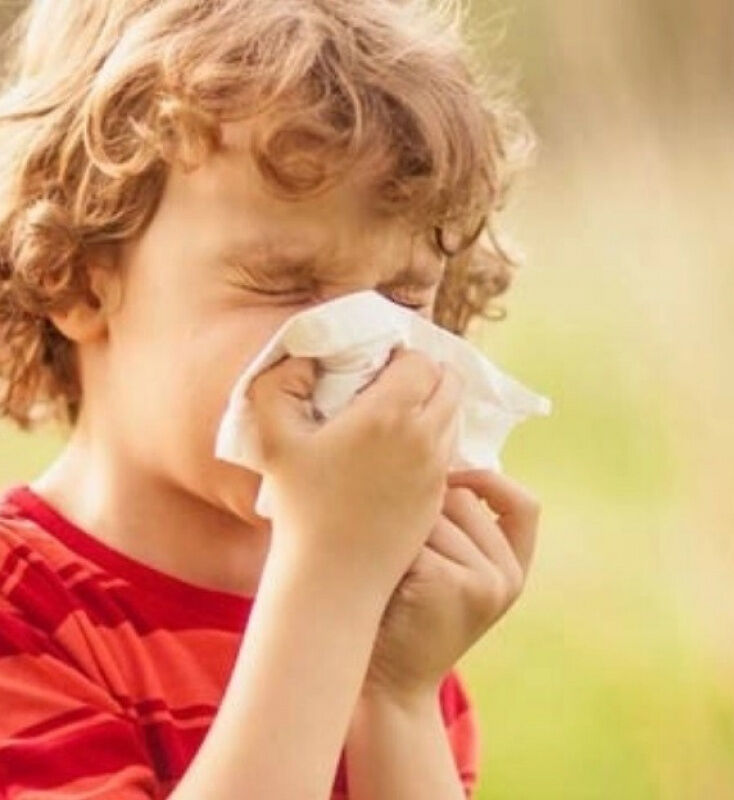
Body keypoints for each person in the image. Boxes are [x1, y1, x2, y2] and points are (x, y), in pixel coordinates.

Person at [0, 1, 541, 797]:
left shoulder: (396, 631)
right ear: (76, 276)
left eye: (404, 293)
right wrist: (330, 580)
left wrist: (396, 695)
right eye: (283, 284)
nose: (360, 346)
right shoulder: (24, 613)